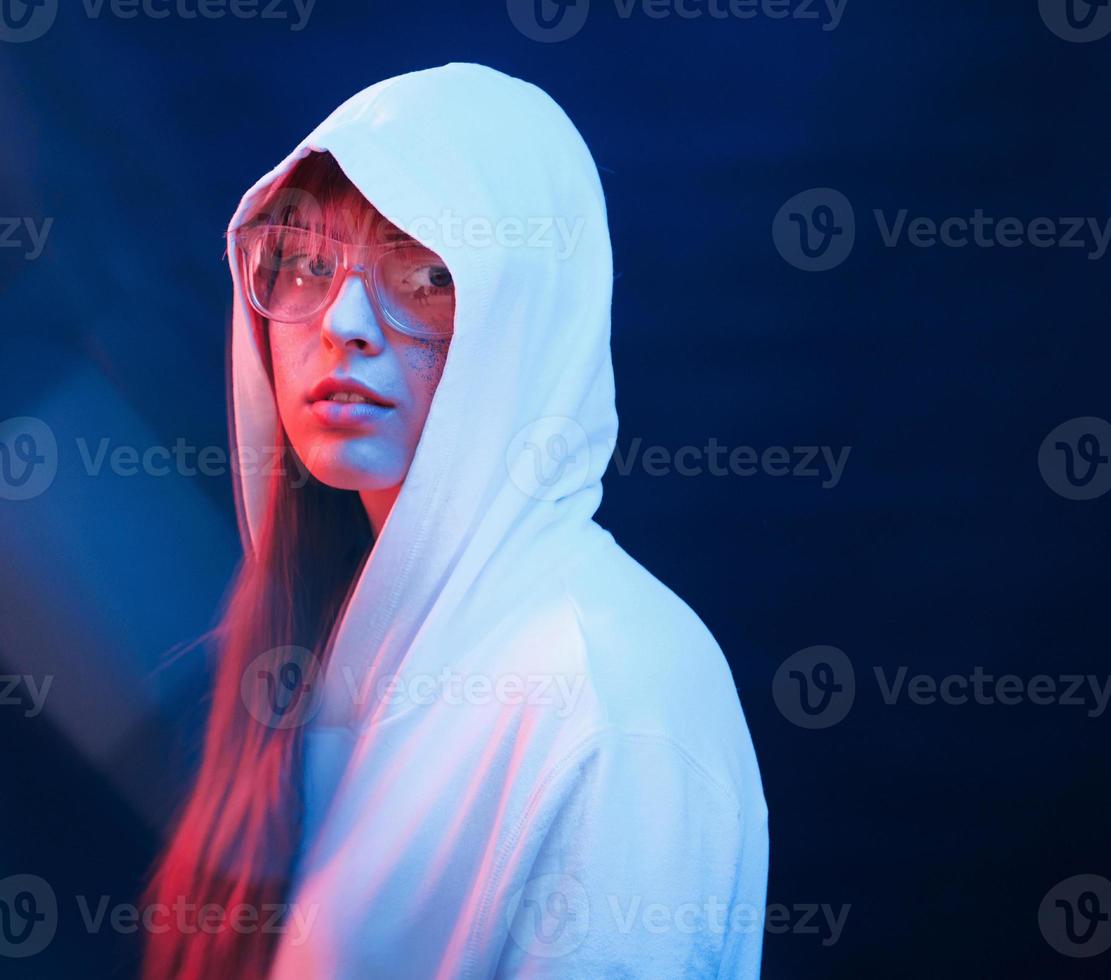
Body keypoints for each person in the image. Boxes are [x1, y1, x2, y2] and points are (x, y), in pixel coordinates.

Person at [143, 62, 768, 979]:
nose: (344, 323)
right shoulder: (326, 652)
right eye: (306, 264)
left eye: (426, 273)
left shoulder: (612, 690)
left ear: (531, 317)